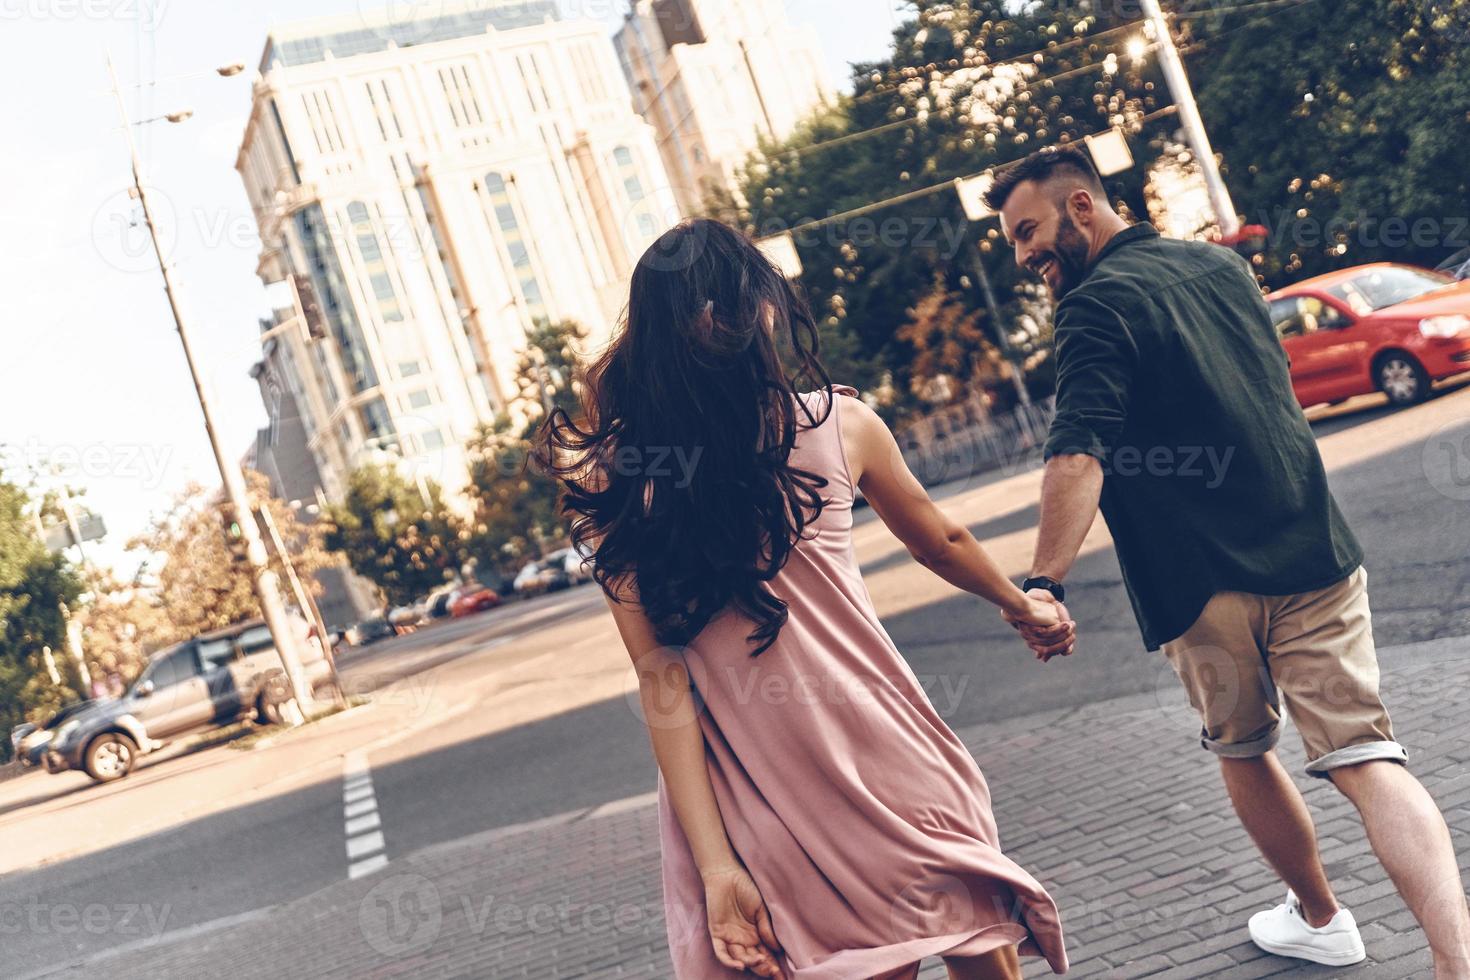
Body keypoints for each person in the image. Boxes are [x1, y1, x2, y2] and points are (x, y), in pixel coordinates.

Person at [536, 219, 1072, 979]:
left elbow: (661, 678)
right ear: (757, 313)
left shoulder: (613, 483)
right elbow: (939, 541)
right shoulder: (837, 425)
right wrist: (1020, 603)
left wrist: (716, 865)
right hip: (891, 758)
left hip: (762, 802)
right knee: (975, 934)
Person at [984, 145, 1470, 976]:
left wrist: (1043, 581)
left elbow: (1078, 452)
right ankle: (1455, 961)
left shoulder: (1094, 305)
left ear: (1080, 208)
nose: (1023, 255)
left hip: (1199, 578)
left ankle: (1321, 918)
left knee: (1242, 748)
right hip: (1309, 545)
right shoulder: (1224, 268)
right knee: (1367, 756)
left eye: (1027, 231)